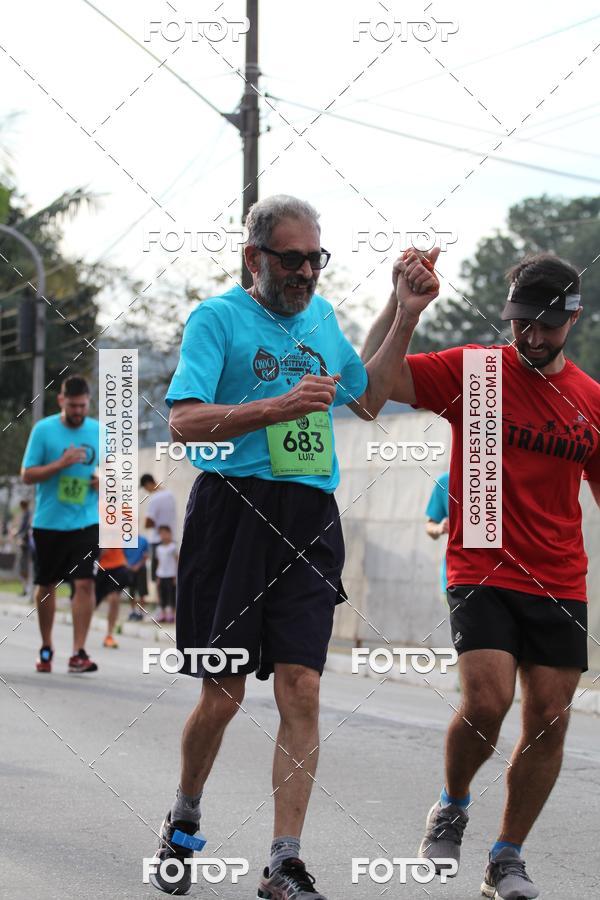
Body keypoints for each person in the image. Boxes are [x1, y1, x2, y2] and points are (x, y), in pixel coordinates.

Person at [148, 194, 431, 899]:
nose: (306, 272)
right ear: (255, 257)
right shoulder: (217, 319)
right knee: (223, 692)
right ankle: (184, 819)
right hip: (235, 512)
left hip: (308, 515)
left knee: (301, 685)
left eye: (315, 258)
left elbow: (366, 399)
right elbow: (184, 421)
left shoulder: (324, 319)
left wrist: (406, 312)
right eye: (293, 259)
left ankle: (285, 861)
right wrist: (273, 408)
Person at [362, 250, 600, 899]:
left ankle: (506, 857)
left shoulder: (590, 400)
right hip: (482, 561)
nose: (531, 337)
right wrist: (405, 315)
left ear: (573, 319)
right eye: (522, 322)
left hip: (560, 578)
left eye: (546, 326)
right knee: (488, 702)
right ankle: (454, 803)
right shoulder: (477, 372)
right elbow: (367, 391)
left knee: (550, 717)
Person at [21, 374, 101, 674]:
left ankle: (79, 652)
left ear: (88, 401)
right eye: (73, 406)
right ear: (61, 401)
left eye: (82, 406)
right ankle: (46, 646)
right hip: (49, 522)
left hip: (86, 521)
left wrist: (102, 480)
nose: (78, 411)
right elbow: (27, 475)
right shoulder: (44, 430)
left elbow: (114, 473)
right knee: (46, 585)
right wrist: (60, 465)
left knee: (85, 582)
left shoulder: (99, 431)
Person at [140, 474, 177, 583]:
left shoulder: (154, 498)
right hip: (171, 538)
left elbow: (148, 522)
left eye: (145, 488)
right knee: (171, 573)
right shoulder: (170, 495)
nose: (146, 491)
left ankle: (160, 599)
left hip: (158, 540)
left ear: (148, 484)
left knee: (158, 575)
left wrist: (147, 523)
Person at [95, 547, 130, 648]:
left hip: (118, 565)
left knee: (114, 598)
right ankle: (80, 632)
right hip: (100, 567)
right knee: (92, 603)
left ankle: (109, 635)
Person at [425, 471, 450, 595]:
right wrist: (440, 527)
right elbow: (429, 525)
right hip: (454, 579)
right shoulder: (445, 481)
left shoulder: (496, 479)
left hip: (496, 578)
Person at [155, 525, 178, 624]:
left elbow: (177, 560)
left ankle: (172, 614)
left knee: (171, 595)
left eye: (165, 533)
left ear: (170, 534)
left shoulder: (173, 547)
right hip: (162, 574)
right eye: (161, 534)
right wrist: (158, 576)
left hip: (171, 574)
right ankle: (163, 613)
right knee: (162, 595)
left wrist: (176, 575)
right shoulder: (159, 548)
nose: (163, 536)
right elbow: (159, 562)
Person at [124, 534, 149, 621]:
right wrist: (129, 566)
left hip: (141, 568)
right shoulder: (126, 541)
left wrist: (138, 565)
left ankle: (141, 612)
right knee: (131, 592)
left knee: (142, 591)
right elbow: (123, 556)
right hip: (129, 569)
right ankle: (132, 611)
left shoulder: (143, 540)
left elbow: (146, 555)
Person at [12, 498, 33, 596]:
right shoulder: (27, 514)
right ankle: (26, 588)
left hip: (25, 545)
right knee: (23, 567)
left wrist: (17, 534)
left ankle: (26, 589)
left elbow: (25, 529)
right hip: (25, 544)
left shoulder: (27, 515)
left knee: (23, 567)